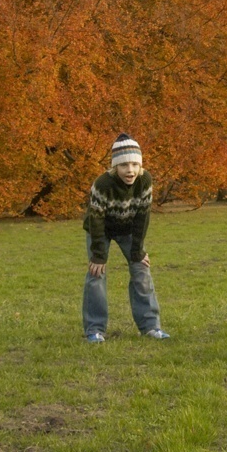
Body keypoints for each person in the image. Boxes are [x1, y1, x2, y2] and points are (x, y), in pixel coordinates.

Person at [81, 133, 170, 343]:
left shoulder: (144, 181)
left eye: (134, 165)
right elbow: (96, 220)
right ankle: (95, 329)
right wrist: (98, 256)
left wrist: (137, 251)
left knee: (142, 270)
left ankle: (150, 326)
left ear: (140, 166)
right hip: (100, 230)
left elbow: (142, 217)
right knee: (96, 274)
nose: (129, 170)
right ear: (115, 167)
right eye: (123, 165)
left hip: (129, 229)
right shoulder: (102, 184)